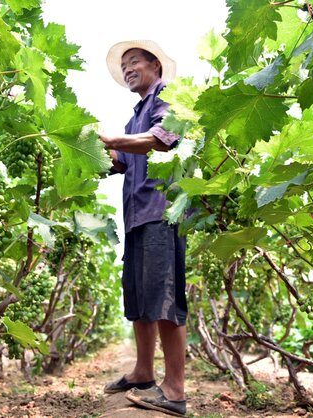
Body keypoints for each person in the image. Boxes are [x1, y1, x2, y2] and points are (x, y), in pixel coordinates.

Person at [99, 40, 187, 417]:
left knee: (164, 297)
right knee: (138, 296)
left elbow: (162, 140)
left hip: (161, 212)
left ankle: (175, 391)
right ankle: (143, 372)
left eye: (134, 61)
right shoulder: (135, 115)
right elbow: (123, 160)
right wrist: (94, 151)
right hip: (136, 216)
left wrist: (115, 141)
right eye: (124, 65)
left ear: (155, 65)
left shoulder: (167, 96)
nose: (128, 69)